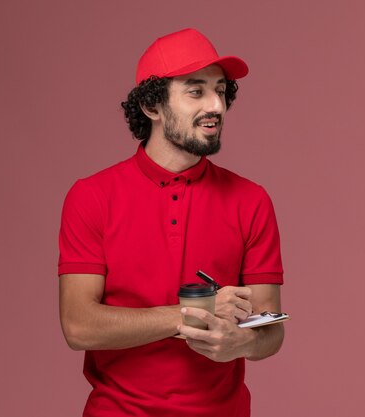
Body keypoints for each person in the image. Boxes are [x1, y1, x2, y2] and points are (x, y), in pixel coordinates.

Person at [58, 28, 284, 417]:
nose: (216, 104)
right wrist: (189, 314)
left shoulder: (252, 200)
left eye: (221, 90)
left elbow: (270, 329)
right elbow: (78, 326)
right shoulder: (91, 196)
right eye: (196, 91)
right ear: (152, 106)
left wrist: (242, 343)